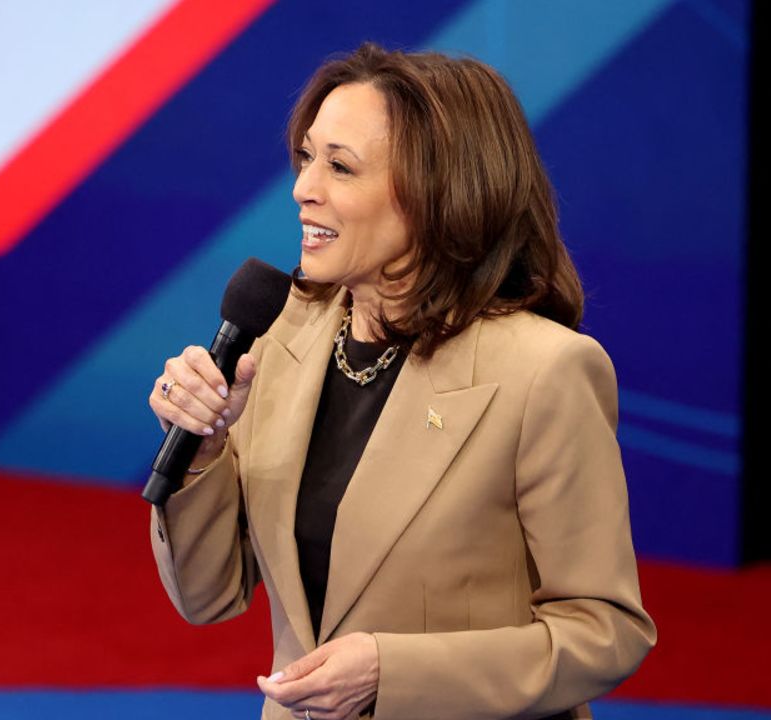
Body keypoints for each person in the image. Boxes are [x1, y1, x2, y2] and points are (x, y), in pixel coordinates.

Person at [147, 42, 656, 720]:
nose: (304, 187)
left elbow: (606, 630)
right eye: (305, 158)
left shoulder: (545, 372)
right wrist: (204, 452)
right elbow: (208, 598)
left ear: (435, 193)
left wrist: (394, 673)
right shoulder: (281, 337)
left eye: (340, 166)